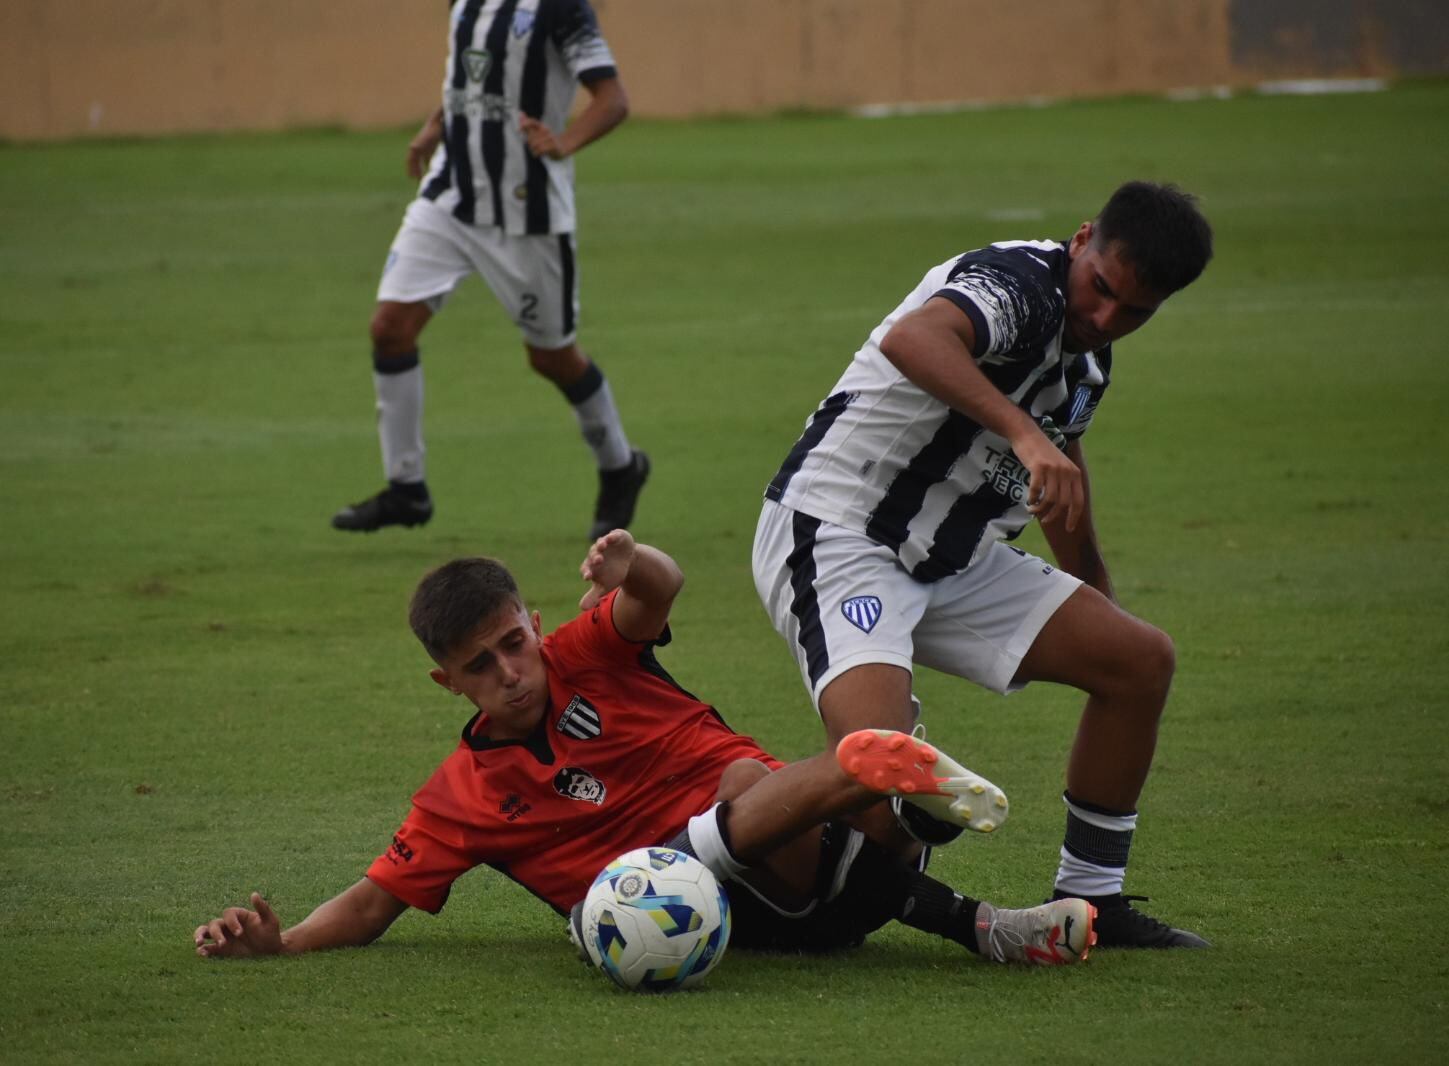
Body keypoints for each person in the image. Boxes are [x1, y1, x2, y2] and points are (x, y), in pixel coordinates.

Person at [193, 530, 1097, 967]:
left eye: (515, 643)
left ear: (534, 625)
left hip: (802, 846)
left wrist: (635, 564)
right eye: (482, 665)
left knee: (789, 791)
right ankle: (911, 824)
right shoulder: (459, 798)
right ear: (450, 684)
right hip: (714, 912)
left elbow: (658, 591)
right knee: (762, 782)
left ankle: (907, 819)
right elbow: (368, 905)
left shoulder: (585, 648)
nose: (511, 671)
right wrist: (284, 943)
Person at [746, 181, 1215, 948]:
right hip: (838, 534)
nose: (1104, 319)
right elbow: (915, 339)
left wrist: (1092, 586)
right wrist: (1027, 436)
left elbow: (1059, 464)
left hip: (951, 558)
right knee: (877, 773)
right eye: (1100, 288)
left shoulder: (1087, 365)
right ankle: (729, 857)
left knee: (1137, 661)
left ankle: (1095, 901)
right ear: (1081, 238)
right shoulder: (1018, 285)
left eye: (1134, 311)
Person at [331, 0, 648, 539]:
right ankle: (407, 488)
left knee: (551, 357)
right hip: (451, 195)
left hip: (529, 214)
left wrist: (563, 141)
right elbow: (472, 76)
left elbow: (612, 100)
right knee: (390, 328)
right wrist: (436, 126)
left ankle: (621, 466)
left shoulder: (561, 7)